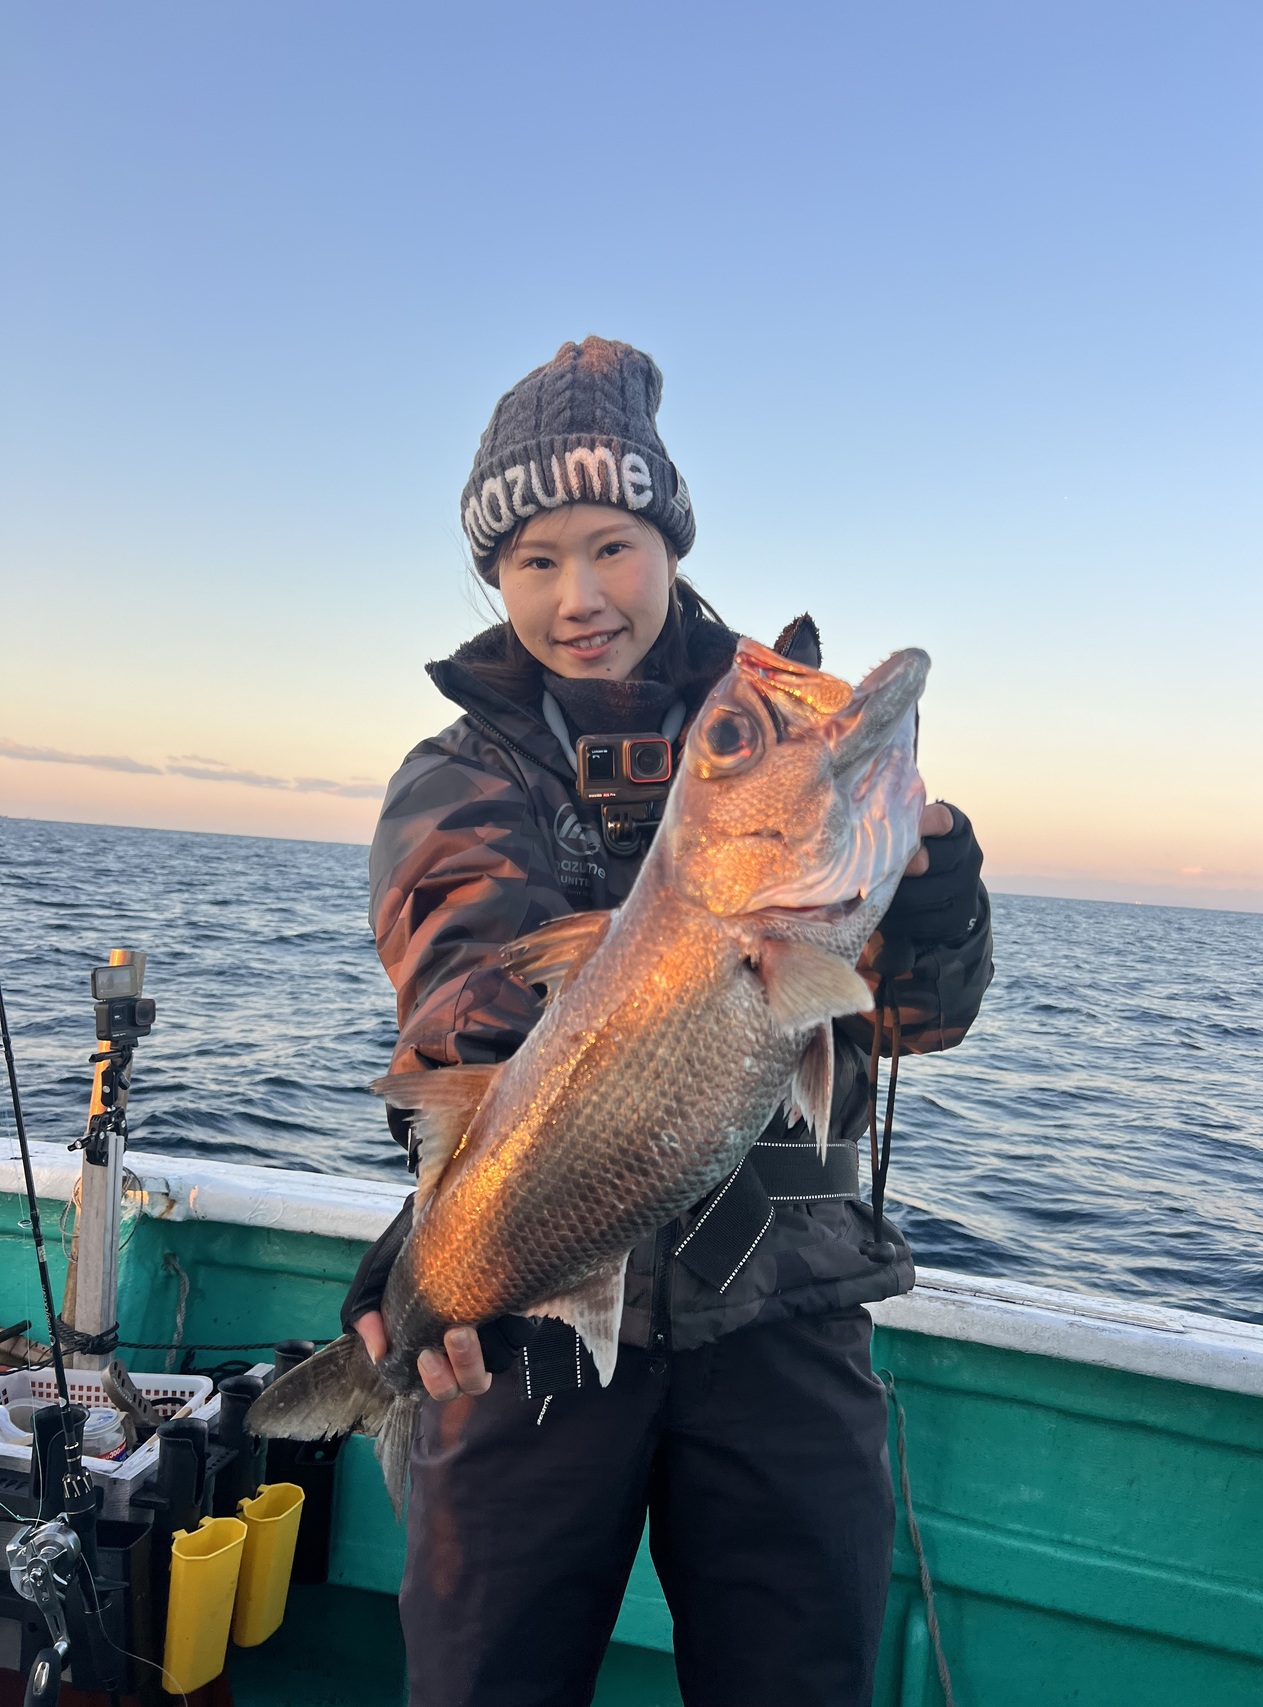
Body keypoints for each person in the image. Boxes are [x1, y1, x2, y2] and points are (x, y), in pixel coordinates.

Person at [343, 337, 993, 1707]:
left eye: (613, 547)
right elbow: (466, 1002)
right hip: (525, 1331)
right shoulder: (460, 775)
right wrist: (440, 1252)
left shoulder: (774, 740)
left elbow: (914, 1021)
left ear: (670, 542)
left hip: (785, 1311)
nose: (577, 595)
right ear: (495, 577)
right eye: (534, 560)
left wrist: (934, 915)